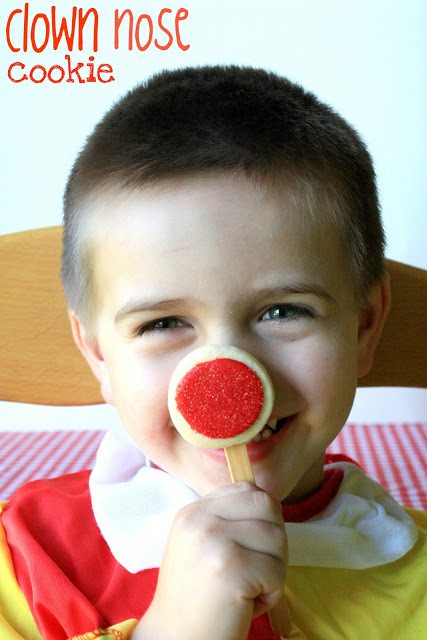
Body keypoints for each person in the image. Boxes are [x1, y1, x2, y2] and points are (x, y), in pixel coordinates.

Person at [0, 66, 425, 640]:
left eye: (283, 311)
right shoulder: (27, 560)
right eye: (165, 322)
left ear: (365, 328)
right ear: (99, 353)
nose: (227, 379)